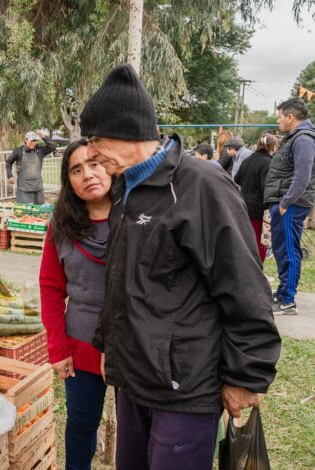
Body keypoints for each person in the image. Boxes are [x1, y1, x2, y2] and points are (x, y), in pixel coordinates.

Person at [80, 64, 281, 470]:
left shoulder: (200, 185)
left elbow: (245, 285)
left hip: (184, 388)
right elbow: (122, 279)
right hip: (135, 379)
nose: (92, 151)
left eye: (96, 138)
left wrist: (246, 376)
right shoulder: (125, 189)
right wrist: (108, 344)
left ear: (130, 132)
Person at [40, 139, 111, 470]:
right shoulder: (61, 225)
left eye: (94, 164)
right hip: (80, 345)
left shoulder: (138, 217)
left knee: (137, 430)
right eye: (76, 170)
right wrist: (58, 348)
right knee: (81, 425)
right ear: (68, 181)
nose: (88, 175)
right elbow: (51, 287)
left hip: (132, 345)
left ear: (110, 165)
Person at [264, 97, 315, 314]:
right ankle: (283, 291)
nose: (279, 121)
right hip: (287, 202)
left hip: (291, 204)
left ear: (290, 117)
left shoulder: (303, 139)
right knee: (281, 249)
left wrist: (286, 202)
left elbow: (302, 175)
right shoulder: (294, 137)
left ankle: (287, 299)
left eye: (280, 117)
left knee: (289, 251)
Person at [235, 133, 279, 263]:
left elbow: (237, 179)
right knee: (260, 241)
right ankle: (257, 272)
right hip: (260, 209)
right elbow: (265, 188)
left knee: (246, 239)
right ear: (272, 146)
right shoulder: (268, 162)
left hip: (243, 205)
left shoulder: (248, 159)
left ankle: (246, 268)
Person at [6, 130, 58, 204]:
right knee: (25, 213)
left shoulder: (40, 150)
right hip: (23, 189)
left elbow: (53, 146)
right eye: (31, 141)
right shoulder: (18, 151)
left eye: (35, 141)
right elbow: (8, 162)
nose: (33, 143)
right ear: (25, 140)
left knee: (39, 212)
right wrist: (10, 176)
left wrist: (43, 137)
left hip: (38, 188)